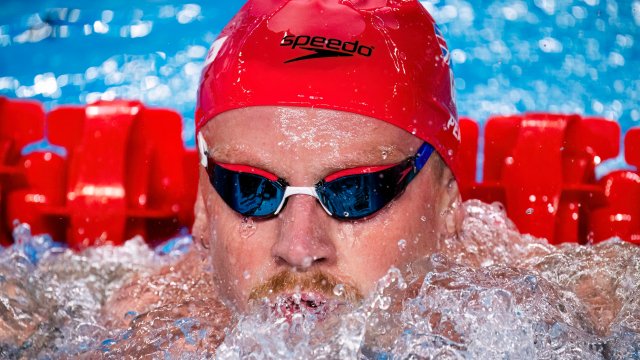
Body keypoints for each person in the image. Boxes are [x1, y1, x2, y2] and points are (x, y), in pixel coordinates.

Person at [103, 0, 464, 350]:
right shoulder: (145, 331)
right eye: (252, 188)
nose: (298, 250)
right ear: (202, 203)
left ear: (447, 204)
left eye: (356, 191)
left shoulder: (506, 308)